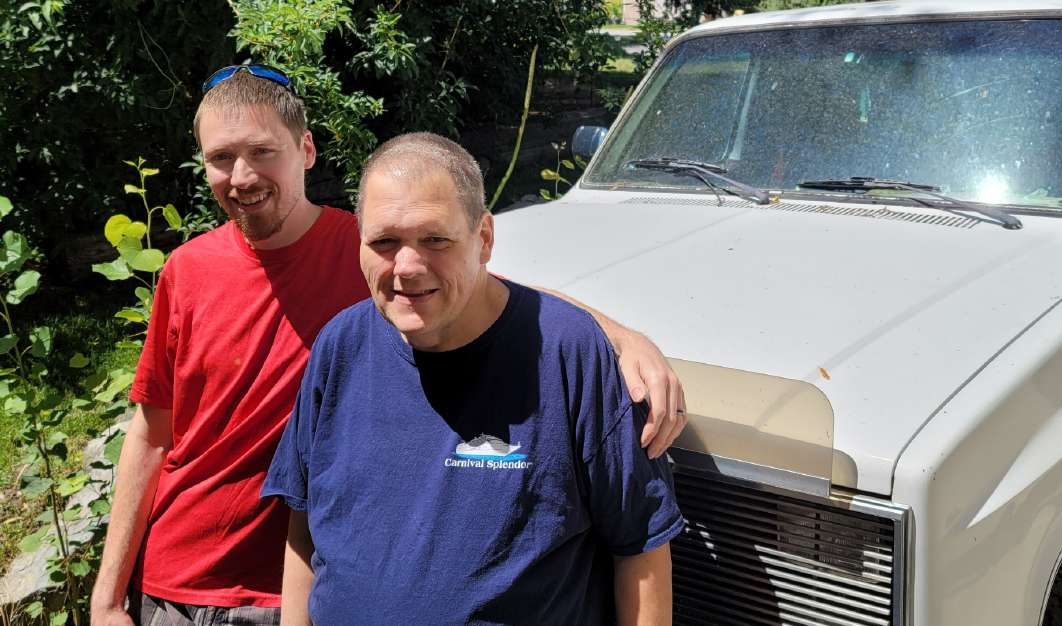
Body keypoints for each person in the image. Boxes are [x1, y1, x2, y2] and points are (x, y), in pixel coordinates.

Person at [89, 66, 687, 626]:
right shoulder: (192, 271)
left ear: (305, 151)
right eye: (221, 157)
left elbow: (480, 287)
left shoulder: (364, 247)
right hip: (175, 579)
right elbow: (152, 431)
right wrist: (108, 594)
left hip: (271, 594)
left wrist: (618, 336)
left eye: (262, 152)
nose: (242, 176)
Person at [263, 133, 682, 625]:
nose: (407, 267)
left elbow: (641, 548)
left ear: (483, 239)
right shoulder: (341, 346)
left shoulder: (568, 354)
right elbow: (305, 525)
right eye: (384, 241)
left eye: (434, 239)